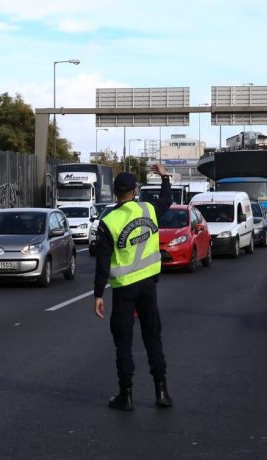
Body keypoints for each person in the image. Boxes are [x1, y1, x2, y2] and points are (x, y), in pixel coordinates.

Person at [93, 164, 173, 411]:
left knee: (123, 342)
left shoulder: (108, 221)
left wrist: (98, 294)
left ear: (115, 193)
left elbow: (103, 262)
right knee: (152, 337)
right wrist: (164, 177)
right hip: (149, 286)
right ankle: (162, 391)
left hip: (124, 290)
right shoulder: (148, 209)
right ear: (135, 191)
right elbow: (167, 200)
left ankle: (125, 395)